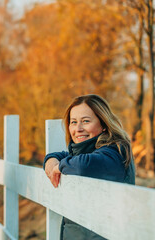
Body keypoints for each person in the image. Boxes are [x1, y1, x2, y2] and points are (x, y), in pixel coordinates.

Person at [43, 94, 135, 240]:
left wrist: (59, 166)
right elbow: (64, 155)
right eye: (73, 122)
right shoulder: (84, 152)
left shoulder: (114, 152)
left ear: (103, 124)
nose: (78, 128)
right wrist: (51, 160)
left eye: (85, 121)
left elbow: (83, 165)